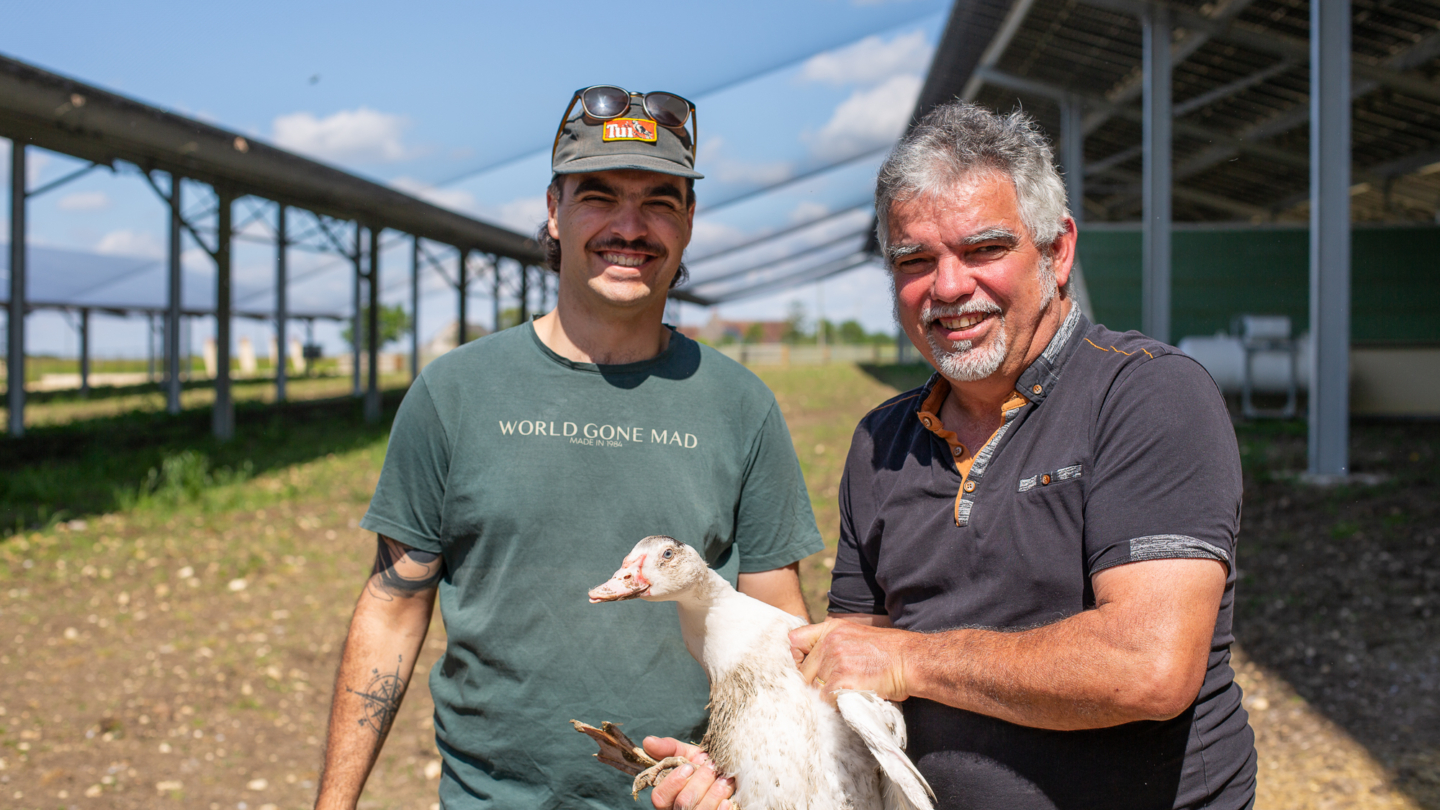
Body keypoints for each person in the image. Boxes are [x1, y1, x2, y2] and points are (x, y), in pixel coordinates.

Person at [315, 85, 821, 810]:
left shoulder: (740, 405)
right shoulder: (456, 391)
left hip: (682, 797)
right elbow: (393, 606)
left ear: (688, 221)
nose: (629, 226)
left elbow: (777, 621)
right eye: (599, 196)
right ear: (554, 210)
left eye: (659, 201)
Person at [788, 101, 1257, 809]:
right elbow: (853, 652)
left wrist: (910, 659)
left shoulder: (1147, 395)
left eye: (983, 250)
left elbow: (1147, 666)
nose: (948, 287)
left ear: (1056, 251)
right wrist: (740, 766)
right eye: (915, 260)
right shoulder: (881, 440)